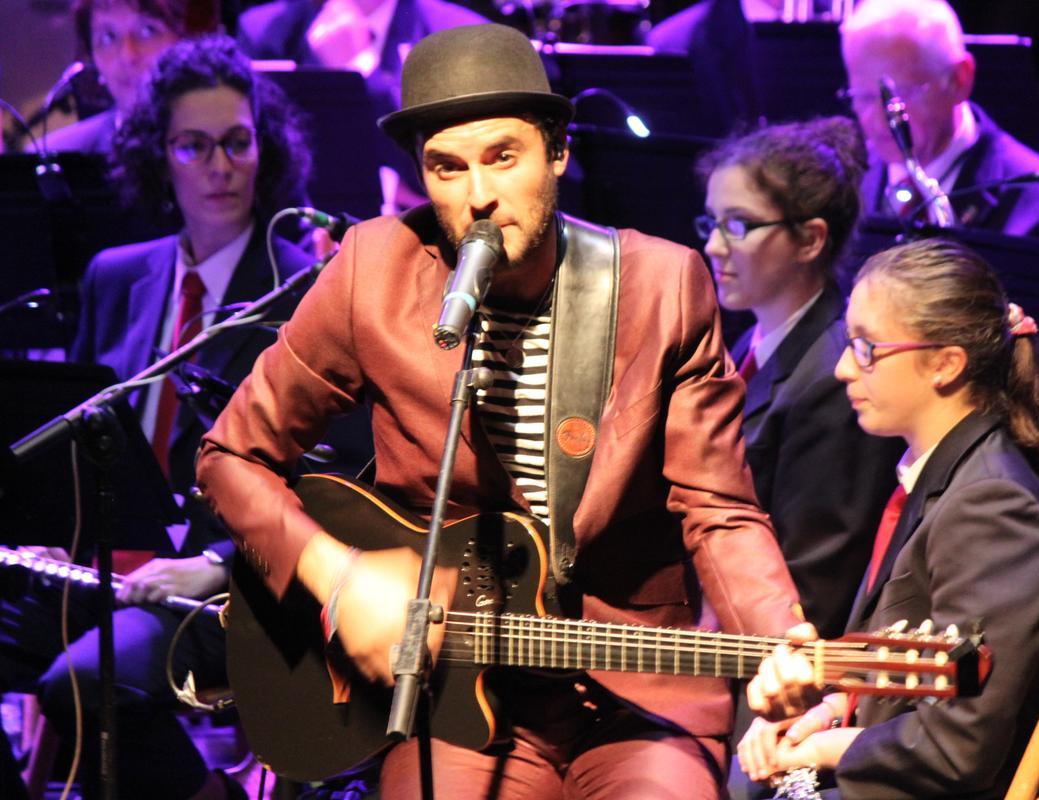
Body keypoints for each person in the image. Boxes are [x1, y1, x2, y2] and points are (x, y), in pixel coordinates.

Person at [195, 22, 802, 800]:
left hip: (628, 697)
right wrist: (338, 574)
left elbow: (718, 507)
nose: (477, 195)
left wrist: (776, 636)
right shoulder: (370, 273)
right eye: (446, 168)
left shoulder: (663, 288)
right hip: (451, 696)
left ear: (557, 152)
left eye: (502, 158)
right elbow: (231, 457)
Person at [0, 35, 313, 800]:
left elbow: (319, 488)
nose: (219, 166)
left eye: (238, 142)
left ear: (262, 150)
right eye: (194, 146)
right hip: (100, 564)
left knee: (84, 681)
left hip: (221, 582)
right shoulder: (119, 274)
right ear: (158, 156)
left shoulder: (304, 290)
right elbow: (78, 440)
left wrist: (210, 564)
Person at [738, 239, 1039, 799]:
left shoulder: (993, 507)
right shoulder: (938, 475)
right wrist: (827, 710)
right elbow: (910, 673)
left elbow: (955, 747)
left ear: (945, 364)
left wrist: (825, 749)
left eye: (866, 348)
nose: (843, 368)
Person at [696, 117, 903, 640]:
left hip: (784, 662)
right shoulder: (752, 343)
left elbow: (814, 591)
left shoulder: (836, 379)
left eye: (738, 225)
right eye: (712, 223)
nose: (715, 247)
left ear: (810, 240)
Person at [841, 0, 1039, 275]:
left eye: (903, 95)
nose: (877, 118)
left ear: (960, 79)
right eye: (862, 97)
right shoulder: (843, 188)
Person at [236, 0, 489, 210]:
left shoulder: (459, 34)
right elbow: (261, 173)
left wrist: (361, 69)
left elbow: (437, 170)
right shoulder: (264, 32)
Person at [35, 0, 219, 155]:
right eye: (107, 38)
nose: (127, 56)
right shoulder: (57, 156)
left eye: (148, 31)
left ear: (188, 41)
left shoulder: (234, 141)